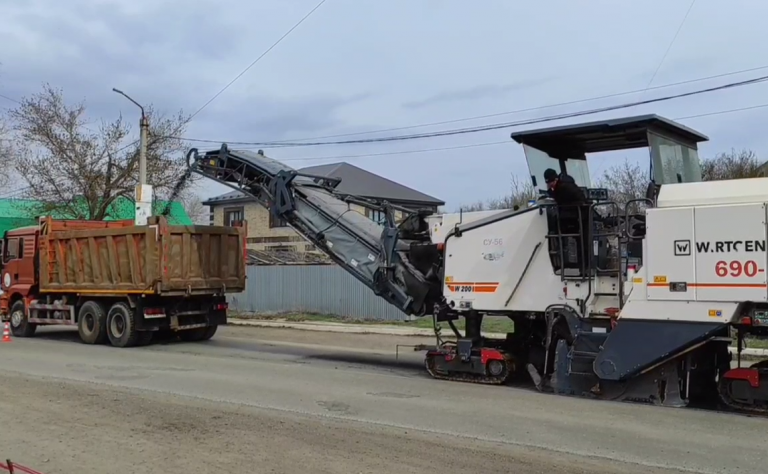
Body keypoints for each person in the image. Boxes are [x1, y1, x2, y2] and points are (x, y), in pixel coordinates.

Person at [543, 168, 590, 273]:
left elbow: (561, 198)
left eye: (550, 182)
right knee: (581, 243)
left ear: (555, 179)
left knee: (582, 244)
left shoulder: (564, 187)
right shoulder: (565, 185)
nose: (550, 185)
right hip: (578, 216)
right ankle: (583, 267)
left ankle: (583, 267)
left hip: (578, 217)